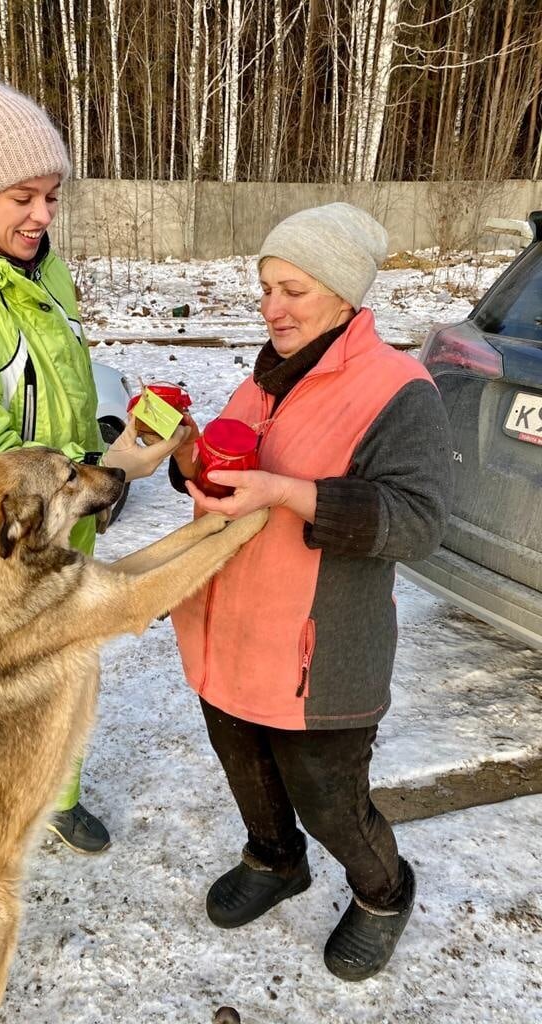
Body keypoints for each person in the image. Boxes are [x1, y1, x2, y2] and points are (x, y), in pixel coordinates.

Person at [0, 72, 184, 855]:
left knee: (73, 659)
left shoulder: (36, 270)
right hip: (16, 531)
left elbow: (50, 394)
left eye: (52, 196)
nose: (41, 215)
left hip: (68, 498)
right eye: (23, 196)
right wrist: (100, 476)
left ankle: (59, 792)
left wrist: (107, 442)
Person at [168, 203, 453, 980]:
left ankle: (384, 893)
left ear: (340, 293)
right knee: (246, 768)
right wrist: (190, 459)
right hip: (229, 629)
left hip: (317, 654)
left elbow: (420, 522)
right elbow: (231, 472)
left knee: (329, 798)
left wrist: (289, 493)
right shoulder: (266, 376)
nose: (272, 308)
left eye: (292, 289)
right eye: (265, 287)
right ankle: (274, 859)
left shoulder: (399, 389)